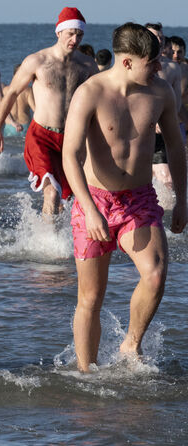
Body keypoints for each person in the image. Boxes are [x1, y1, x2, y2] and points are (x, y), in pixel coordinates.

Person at [62, 24, 187, 372]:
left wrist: (182, 198)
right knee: (90, 297)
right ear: (128, 62)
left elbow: (176, 146)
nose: (160, 68)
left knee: (156, 275)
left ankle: (131, 345)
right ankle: (87, 375)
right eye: (153, 62)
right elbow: (69, 154)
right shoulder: (90, 93)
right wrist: (88, 210)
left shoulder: (160, 93)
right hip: (95, 201)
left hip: (140, 200)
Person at [0, 7, 97, 216]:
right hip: (41, 136)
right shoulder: (37, 61)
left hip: (71, 138)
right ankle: (48, 247)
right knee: (51, 193)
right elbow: (11, 93)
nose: (75, 39)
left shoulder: (87, 65)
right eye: (71, 33)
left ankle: (54, 240)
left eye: (79, 34)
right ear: (58, 32)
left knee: (67, 200)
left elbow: (98, 101)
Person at [143, 23, 187, 189]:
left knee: (167, 178)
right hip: (139, 130)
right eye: (155, 37)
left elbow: (176, 102)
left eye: (161, 37)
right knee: (142, 175)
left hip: (162, 130)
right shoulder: (135, 66)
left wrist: (166, 122)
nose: (159, 40)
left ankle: (168, 213)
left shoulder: (172, 67)